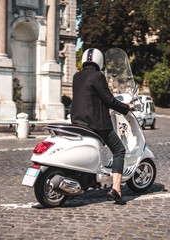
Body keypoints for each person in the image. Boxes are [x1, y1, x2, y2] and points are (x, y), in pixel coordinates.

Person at [70, 48, 134, 205]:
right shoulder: (98, 76)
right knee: (119, 150)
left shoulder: (76, 76)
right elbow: (109, 100)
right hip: (97, 124)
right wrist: (126, 107)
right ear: (99, 61)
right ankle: (117, 189)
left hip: (78, 122)